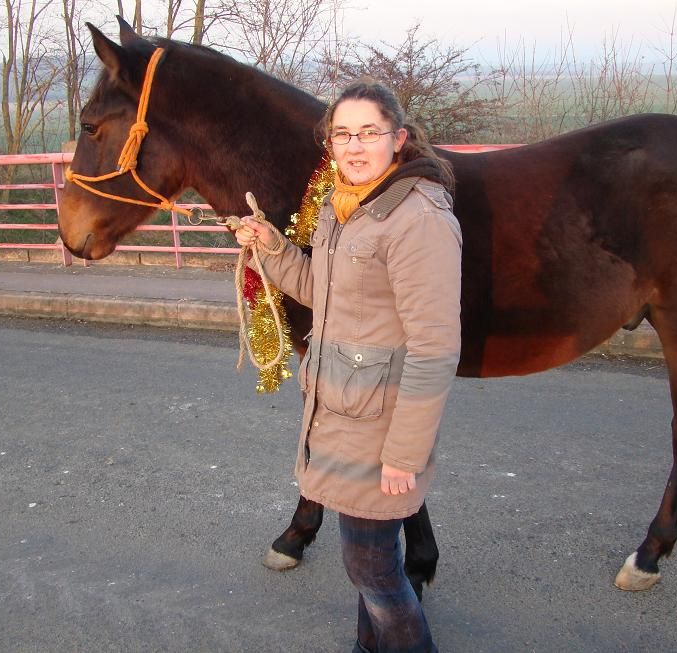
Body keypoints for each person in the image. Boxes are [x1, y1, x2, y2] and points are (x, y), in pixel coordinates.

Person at [235, 80, 462, 653]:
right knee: (370, 564)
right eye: (342, 134)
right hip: (343, 414)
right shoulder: (344, 207)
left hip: (381, 428)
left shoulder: (417, 218)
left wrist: (404, 454)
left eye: (368, 133)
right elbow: (325, 291)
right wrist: (271, 247)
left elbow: (435, 346)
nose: (354, 146)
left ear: (399, 139)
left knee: (371, 568)